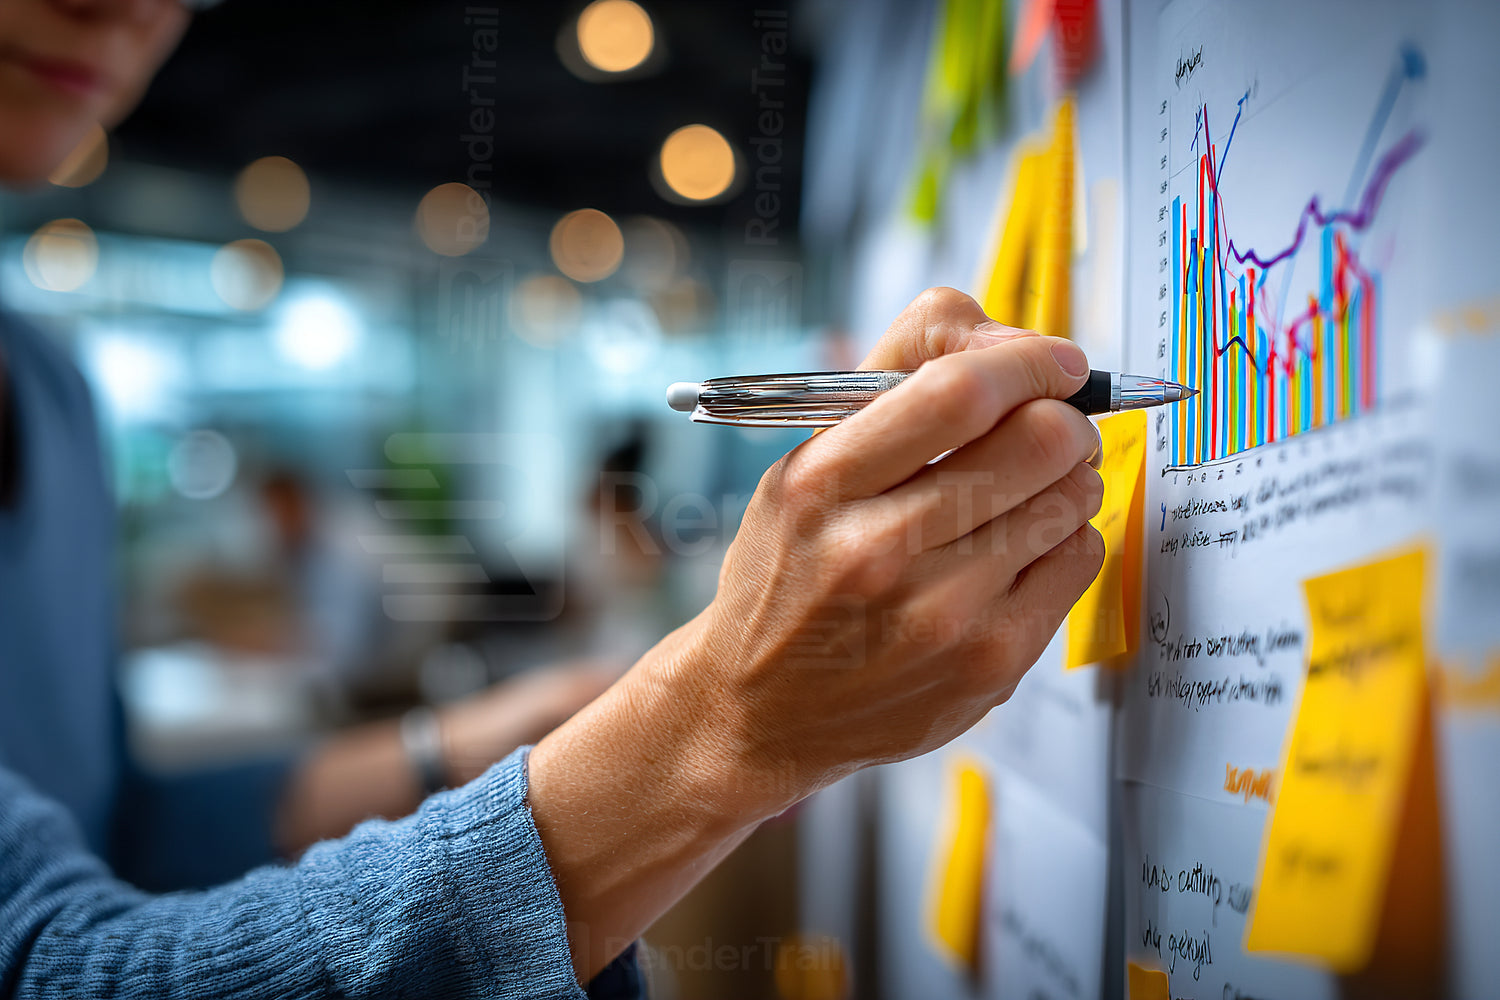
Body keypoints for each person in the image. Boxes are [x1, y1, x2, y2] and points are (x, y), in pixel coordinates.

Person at [0, 0, 1106, 996]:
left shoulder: (48, 389)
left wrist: (461, 751)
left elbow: (114, 828)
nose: (122, 12)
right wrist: (712, 729)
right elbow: (60, 967)